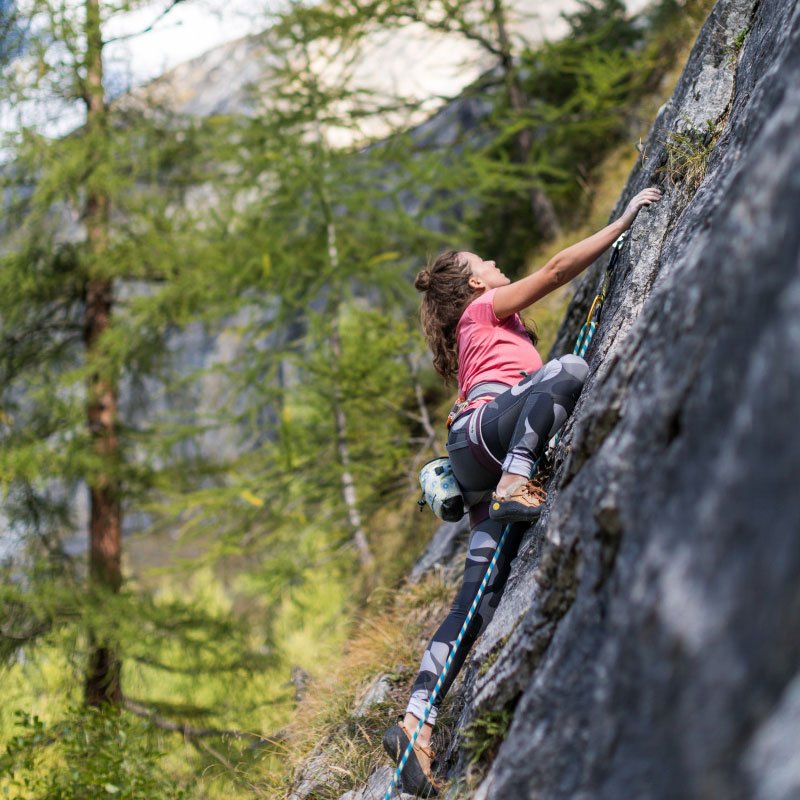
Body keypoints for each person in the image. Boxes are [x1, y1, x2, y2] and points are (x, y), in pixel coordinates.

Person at [382, 187, 663, 796]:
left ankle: (416, 726)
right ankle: (518, 476)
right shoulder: (480, 314)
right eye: (486, 263)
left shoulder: (477, 339)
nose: (497, 266)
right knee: (567, 371)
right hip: (490, 437)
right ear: (476, 285)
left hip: (475, 451)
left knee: (476, 601)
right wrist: (624, 220)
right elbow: (558, 269)